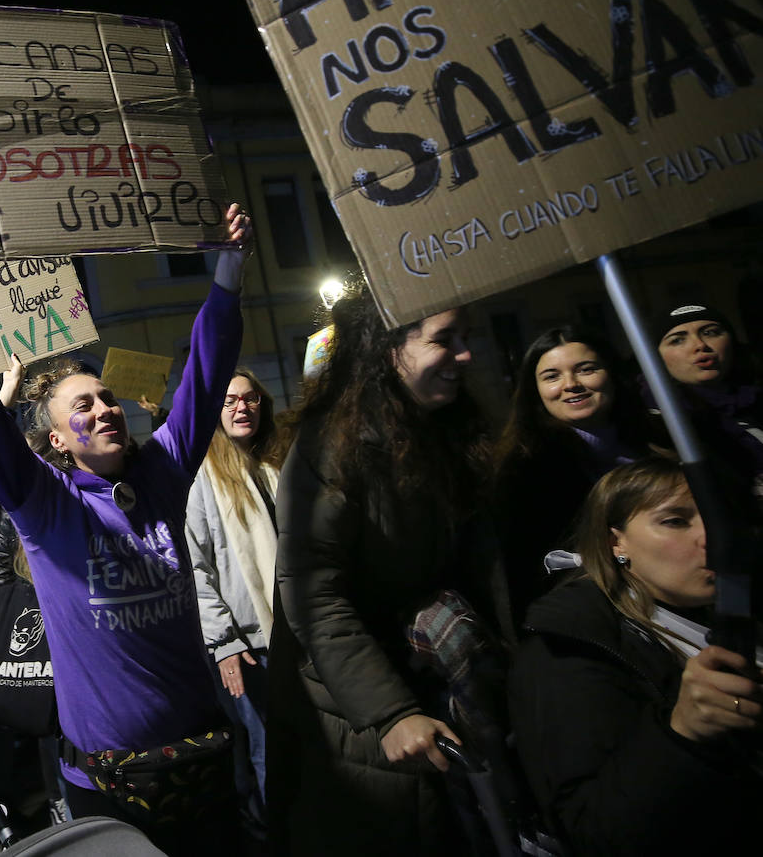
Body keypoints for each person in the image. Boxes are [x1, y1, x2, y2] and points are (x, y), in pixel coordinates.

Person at [0, 204, 253, 855]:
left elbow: (206, 375)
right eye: (84, 405)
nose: (105, 408)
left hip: (202, 759)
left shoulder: (161, 472)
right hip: (104, 783)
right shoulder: (43, 504)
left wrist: (229, 270)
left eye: (107, 398)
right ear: (56, 438)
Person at [268, 287, 510, 855]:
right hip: (356, 709)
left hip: (440, 674)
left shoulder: (456, 434)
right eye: (443, 340)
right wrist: (391, 713)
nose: (465, 355)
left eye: (467, 338)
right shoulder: (329, 446)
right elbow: (314, 592)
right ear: (386, 351)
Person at [509, 457, 762, 855]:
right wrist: (684, 735)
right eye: (675, 521)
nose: (712, 537)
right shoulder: (569, 647)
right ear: (617, 543)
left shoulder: (732, 609)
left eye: (718, 515)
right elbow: (596, 829)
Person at [494, 326, 658, 620]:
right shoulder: (524, 473)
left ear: (613, 375)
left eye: (586, 369)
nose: (571, 384)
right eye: (552, 376)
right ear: (535, 392)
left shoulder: (661, 443)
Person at [185, 367, 277, 830]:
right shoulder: (203, 474)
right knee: (268, 750)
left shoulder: (272, 464)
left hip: (292, 635)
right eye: (231, 401)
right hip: (248, 644)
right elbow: (195, 566)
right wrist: (225, 643)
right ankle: (274, 834)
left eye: (251, 398)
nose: (243, 407)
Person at [653, 303, 763, 498]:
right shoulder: (661, 422)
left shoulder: (755, 399)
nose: (700, 345)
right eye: (677, 340)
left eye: (711, 332)